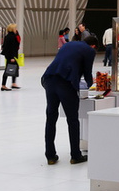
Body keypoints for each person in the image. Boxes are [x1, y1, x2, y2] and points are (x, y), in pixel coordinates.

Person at [42, 35, 97, 165]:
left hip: (49, 79)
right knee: (72, 120)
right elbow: (87, 72)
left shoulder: (67, 44)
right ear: (93, 46)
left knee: (51, 118)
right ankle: (75, 155)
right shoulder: (90, 51)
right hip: (65, 83)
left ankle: (50, 156)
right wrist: (90, 86)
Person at [0, 23, 21, 91]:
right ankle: (3, 85)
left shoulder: (12, 35)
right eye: (15, 28)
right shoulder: (11, 37)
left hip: (11, 55)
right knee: (8, 70)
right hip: (10, 55)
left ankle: (13, 83)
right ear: (12, 29)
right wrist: (12, 57)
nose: (16, 29)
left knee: (15, 68)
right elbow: (10, 47)